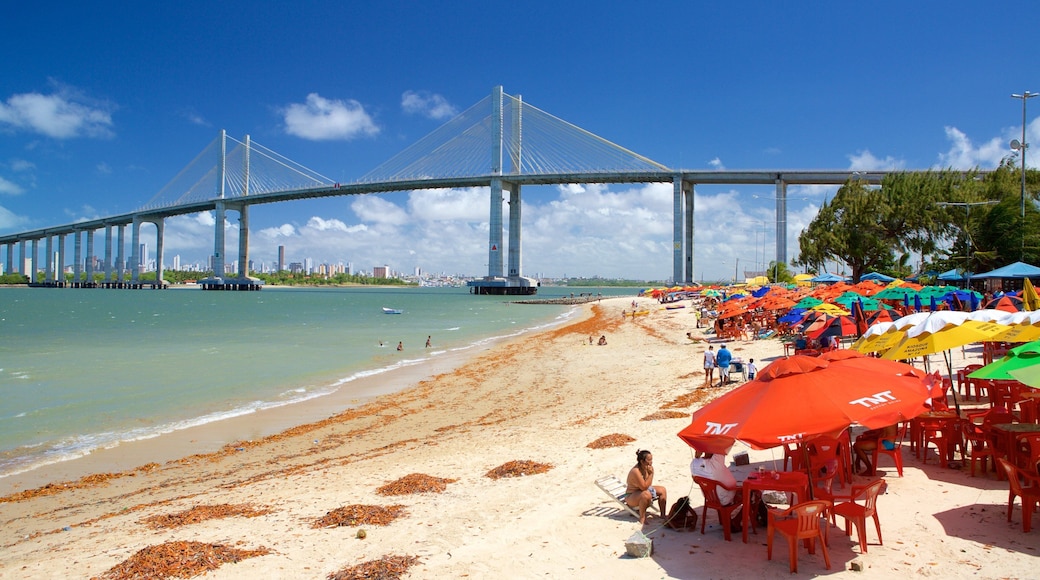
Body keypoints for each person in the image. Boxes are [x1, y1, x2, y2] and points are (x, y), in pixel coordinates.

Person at [625, 449, 667, 525]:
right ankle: (642, 518)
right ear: (642, 461)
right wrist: (651, 474)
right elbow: (644, 487)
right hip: (631, 495)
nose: (651, 462)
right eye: (649, 460)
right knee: (646, 495)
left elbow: (648, 485)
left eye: (651, 459)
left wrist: (650, 473)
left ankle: (663, 514)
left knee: (662, 490)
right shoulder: (636, 471)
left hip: (642, 490)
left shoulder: (647, 467)